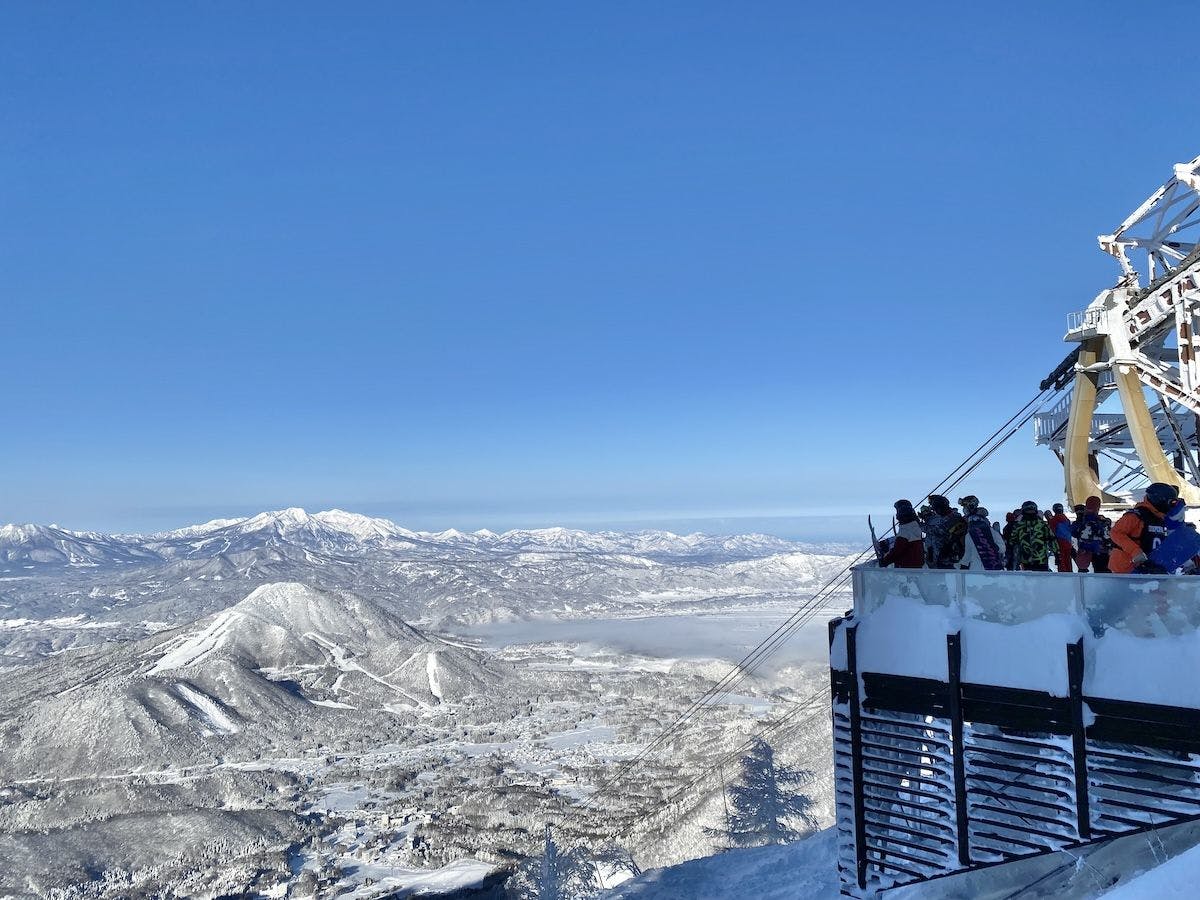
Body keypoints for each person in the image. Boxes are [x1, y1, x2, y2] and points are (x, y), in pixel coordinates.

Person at [1109, 482, 1177, 574]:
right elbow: (1116, 532)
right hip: (1126, 570)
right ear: (1159, 500)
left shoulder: (1162, 519)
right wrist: (1135, 552)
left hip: (1149, 569)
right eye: (1171, 503)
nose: (1172, 507)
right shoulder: (1136, 516)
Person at [957, 496, 1005, 570]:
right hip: (976, 570)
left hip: (991, 569)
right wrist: (963, 565)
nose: (975, 521)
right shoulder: (969, 535)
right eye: (972, 520)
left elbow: (1002, 548)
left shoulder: (991, 532)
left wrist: (995, 547)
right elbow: (968, 553)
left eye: (977, 519)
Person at [921, 494, 967, 569]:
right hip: (944, 554)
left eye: (936, 510)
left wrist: (918, 525)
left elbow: (936, 530)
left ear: (940, 508)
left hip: (948, 556)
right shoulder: (952, 516)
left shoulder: (951, 518)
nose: (936, 512)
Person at [1009, 500, 1056, 571]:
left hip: (1038, 558)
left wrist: (1057, 554)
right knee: (1032, 578)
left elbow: (1051, 538)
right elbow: (1012, 541)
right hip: (1029, 558)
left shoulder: (1041, 525)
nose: (1030, 513)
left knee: (1037, 578)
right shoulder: (1020, 525)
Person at [879, 499, 925, 569]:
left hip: (906, 566)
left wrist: (885, 561)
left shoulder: (905, 530)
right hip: (917, 565)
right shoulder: (915, 526)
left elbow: (898, 550)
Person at [1074, 496, 1111, 573]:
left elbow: (1073, 533)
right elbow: (1107, 537)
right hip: (1100, 553)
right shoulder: (1102, 521)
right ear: (1098, 507)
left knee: (1083, 578)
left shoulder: (1081, 521)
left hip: (1084, 553)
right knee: (1104, 578)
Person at [1047, 503, 1075, 572]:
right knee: (1068, 561)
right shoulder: (1066, 519)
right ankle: (1070, 575)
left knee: (1062, 562)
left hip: (1059, 543)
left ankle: (1064, 578)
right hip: (1068, 543)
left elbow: (1051, 531)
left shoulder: (1053, 520)